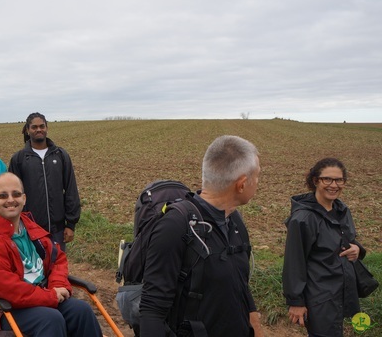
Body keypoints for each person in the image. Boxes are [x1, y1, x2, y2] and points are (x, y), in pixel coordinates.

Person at [139, 135, 264, 337]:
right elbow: (152, 310)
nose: (258, 182)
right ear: (241, 184)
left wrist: (254, 323)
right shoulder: (175, 225)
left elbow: (238, 280)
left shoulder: (234, 220)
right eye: (257, 176)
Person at [0, 172, 102, 336]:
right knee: (51, 319)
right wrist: (50, 296)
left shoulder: (30, 226)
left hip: (39, 295)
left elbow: (57, 258)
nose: (10, 200)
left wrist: (57, 285)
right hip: (3, 308)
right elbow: (7, 289)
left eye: (16, 194)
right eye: (3, 196)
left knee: (81, 311)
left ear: (24, 198)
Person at [283, 158, 366, 336]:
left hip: (341, 291)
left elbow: (346, 239)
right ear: (315, 181)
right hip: (320, 298)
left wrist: (358, 249)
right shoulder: (303, 219)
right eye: (327, 179)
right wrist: (296, 302)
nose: (333, 185)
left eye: (339, 180)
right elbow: (294, 263)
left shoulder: (342, 210)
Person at [8, 112, 80, 251]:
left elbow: (71, 190)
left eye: (42, 126)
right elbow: (13, 196)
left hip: (57, 230)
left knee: (57, 268)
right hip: (29, 229)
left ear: (47, 128)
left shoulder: (60, 155)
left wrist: (70, 224)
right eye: (34, 127)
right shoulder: (19, 159)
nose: (38, 129)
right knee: (34, 270)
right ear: (28, 130)